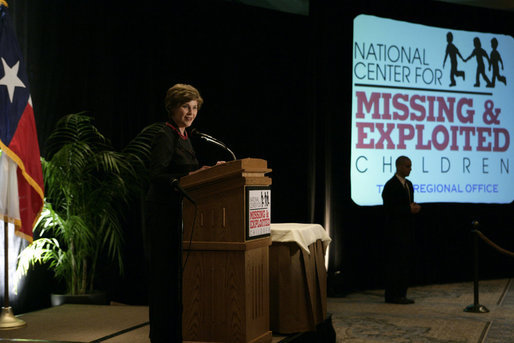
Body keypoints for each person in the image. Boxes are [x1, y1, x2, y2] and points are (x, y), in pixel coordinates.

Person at [144, 83, 207, 342]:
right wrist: (191, 175)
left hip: (179, 215)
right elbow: (156, 175)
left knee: (176, 280)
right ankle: (161, 335)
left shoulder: (185, 136)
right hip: (163, 217)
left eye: (194, 107)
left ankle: (176, 332)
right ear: (172, 108)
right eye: (185, 106)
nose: (191, 112)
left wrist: (211, 171)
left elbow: (187, 173)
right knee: (164, 279)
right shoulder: (165, 134)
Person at [381, 156, 421, 304]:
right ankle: (392, 295)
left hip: (407, 230)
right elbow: (389, 209)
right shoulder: (390, 185)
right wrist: (408, 209)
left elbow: (407, 204)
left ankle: (402, 294)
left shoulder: (409, 184)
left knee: (404, 263)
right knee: (394, 264)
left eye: (410, 166)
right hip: (394, 232)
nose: (410, 169)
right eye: (407, 166)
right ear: (398, 167)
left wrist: (413, 207)